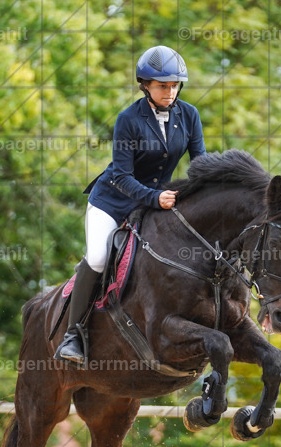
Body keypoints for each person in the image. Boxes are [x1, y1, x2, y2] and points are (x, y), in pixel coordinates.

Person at [55, 45, 207, 365]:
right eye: (163, 85)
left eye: (175, 85)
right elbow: (122, 176)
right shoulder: (128, 119)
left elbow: (200, 166)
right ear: (145, 85)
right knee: (98, 256)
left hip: (154, 203)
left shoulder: (189, 115)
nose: (170, 91)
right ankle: (73, 335)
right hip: (112, 201)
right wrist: (156, 197)